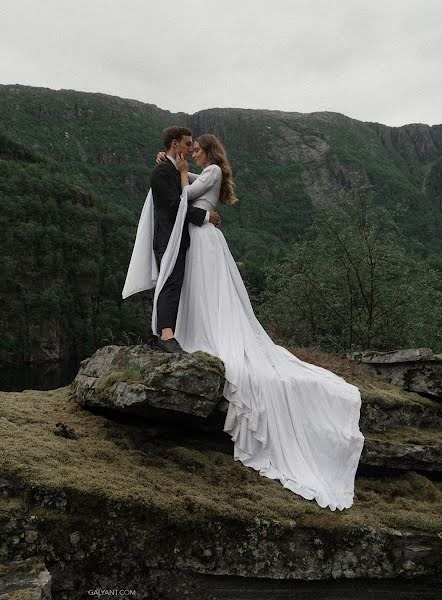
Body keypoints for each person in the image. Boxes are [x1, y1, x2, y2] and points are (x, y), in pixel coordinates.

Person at [124, 133, 365, 511]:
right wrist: (177, 173)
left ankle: (198, 334)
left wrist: (182, 173)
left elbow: (182, 198)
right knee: (197, 292)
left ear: (208, 152)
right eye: (190, 150)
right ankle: (183, 331)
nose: (194, 154)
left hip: (202, 238)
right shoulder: (195, 170)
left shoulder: (211, 170)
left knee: (210, 294)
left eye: (198, 150)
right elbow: (176, 199)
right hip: (196, 234)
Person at [125, 126, 220, 353]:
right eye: (187, 144)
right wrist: (206, 216)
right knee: (169, 281)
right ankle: (166, 335)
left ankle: (171, 332)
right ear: (175, 144)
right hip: (169, 237)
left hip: (178, 237)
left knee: (175, 282)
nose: (190, 149)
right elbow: (173, 207)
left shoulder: (172, 169)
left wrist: (182, 171)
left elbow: (191, 188)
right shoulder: (161, 172)